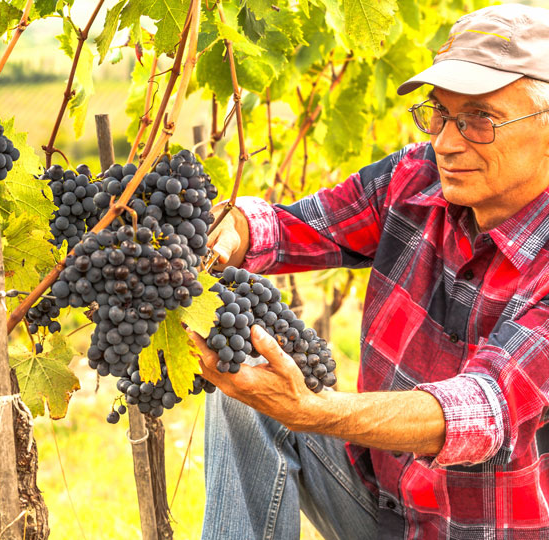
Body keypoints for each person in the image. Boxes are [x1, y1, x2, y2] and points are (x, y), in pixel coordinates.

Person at [197, 4, 549, 539]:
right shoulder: (418, 176)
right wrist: (236, 227)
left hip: (481, 531)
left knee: (289, 404)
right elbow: (302, 225)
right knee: (246, 387)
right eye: (440, 114)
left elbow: (483, 408)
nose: (447, 142)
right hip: (383, 509)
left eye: (480, 118)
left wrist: (316, 410)